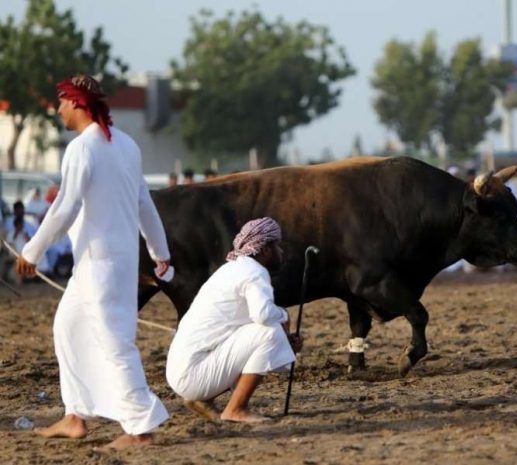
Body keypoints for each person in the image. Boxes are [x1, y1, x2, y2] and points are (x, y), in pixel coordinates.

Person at [15, 74, 172, 449]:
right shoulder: (128, 146)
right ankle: (75, 415)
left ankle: (140, 428)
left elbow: (64, 207)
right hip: (100, 265)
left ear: (78, 104)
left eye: (62, 101)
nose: (58, 109)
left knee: (115, 343)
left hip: (101, 265)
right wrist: (160, 252)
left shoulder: (83, 148)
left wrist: (32, 252)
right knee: (66, 328)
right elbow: (143, 204)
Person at [166, 218, 302, 423]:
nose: (281, 252)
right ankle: (236, 409)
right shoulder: (255, 273)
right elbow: (263, 315)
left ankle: (206, 398)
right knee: (270, 330)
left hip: (183, 372)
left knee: (268, 331)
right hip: (193, 375)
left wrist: (286, 341)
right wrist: (285, 315)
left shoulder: (231, 269)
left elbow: (244, 331)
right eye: (278, 245)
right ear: (264, 250)